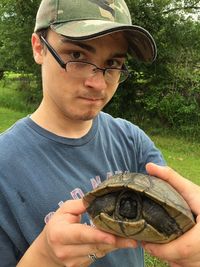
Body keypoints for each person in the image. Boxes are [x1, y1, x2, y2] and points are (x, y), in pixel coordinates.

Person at [0, 0, 195, 267]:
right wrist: (44, 257)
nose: (97, 83)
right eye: (77, 56)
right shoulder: (4, 167)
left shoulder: (131, 140)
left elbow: (178, 229)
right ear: (38, 47)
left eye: (113, 62)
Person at [143, 163, 200, 267]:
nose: (128, 205)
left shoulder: (139, 147)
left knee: (148, 207)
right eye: (123, 202)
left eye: (133, 203)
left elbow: (162, 180)